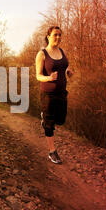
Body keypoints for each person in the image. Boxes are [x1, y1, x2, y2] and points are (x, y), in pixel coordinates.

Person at [35, 26, 74, 164]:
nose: (58, 37)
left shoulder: (62, 51)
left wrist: (68, 71)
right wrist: (49, 78)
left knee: (61, 120)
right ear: (48, 36)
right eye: (55, 35)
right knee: (50, 124)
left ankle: (45, 120)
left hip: (62, 92)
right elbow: (38, 76)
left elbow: (65, 65)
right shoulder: (42, 54)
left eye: (59, 35)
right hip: (48, 94)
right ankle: (52, 152)